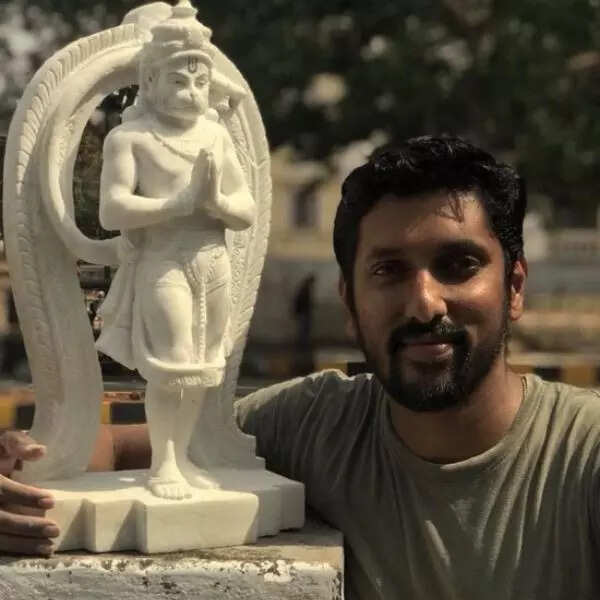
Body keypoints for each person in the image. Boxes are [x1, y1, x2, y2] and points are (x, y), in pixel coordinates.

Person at [2, 136, 600, 599]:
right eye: (388, 271)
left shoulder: (583, 455)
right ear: (350, 302)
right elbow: (120, 449)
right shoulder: (314, 426)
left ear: (514, 287)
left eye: (458, 265)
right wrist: (15, 469)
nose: (424, 304)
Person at [95, 1, 254, 499]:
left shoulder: (215, 135)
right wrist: (178, 203)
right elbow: (112, 210)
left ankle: (181, 456)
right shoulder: (130, 139)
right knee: (174, 363)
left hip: (213, 260)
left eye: (200, 83)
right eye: (179, 81)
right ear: (150, 81)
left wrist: (216, 202)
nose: (191, 92)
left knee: (203, 366)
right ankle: (161, 463)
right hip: (163, 261)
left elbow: (245, 209)